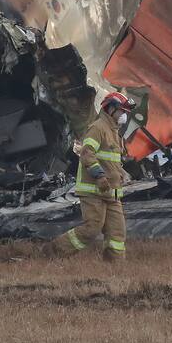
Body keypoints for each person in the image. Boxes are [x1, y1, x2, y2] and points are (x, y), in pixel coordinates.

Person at [51, 92, 135, 260]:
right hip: (94, 191)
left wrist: (123, 173)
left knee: (117, 233)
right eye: (122, 111)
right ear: (110, 109)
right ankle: (55, 252)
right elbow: (87, 154)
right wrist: (100, 177)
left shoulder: (115, 133)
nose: (124, 116)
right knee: (92, 228)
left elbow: (112, 162)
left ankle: (115, 268)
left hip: (112, 194)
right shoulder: (98, 128)